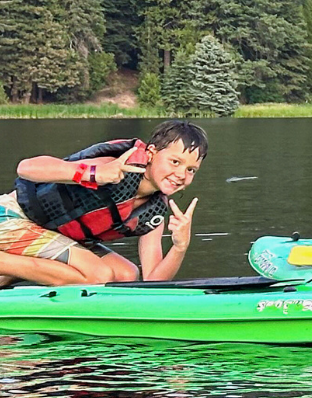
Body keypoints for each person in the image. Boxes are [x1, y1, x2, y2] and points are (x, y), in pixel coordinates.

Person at [2, 121, 207, 286]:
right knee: (97, 274)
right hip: (11, 217)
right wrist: (94, 174)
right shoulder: (111, 167)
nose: (181, 174)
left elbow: (153, 282)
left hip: (48, 231)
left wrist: (180, 246)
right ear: (151, 153)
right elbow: (26, 167)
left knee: (126, 274)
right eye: (175, 162)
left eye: (191, 170)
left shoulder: (152, 213)